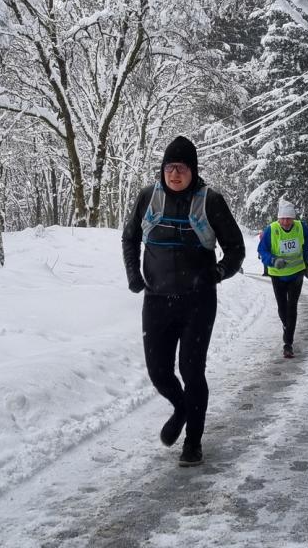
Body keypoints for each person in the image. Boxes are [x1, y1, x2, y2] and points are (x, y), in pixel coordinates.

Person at [122, 136, 245, 467]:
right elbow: (130, 237)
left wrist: (217, 273)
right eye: (169, 167)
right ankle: (181, 408)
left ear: (193, 170)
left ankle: (193, 442)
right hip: (157, 301)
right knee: (159, 373)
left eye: (182, 168)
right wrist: (134, 275)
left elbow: (236, 249)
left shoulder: (210, 201)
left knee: (192, 370)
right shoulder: (148, 197)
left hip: (198, 302)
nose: (175, 174)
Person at [258, 199, 308, 359]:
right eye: (282, 218)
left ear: (294, 218)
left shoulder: (302, 228)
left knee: (292, 307)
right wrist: (273, 260)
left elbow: (305, 248)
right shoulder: (271, 230)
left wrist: (306, 264)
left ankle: (288, 343)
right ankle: (286, 326)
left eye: (289, 218)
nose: (285, 222)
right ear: (278, 218)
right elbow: (262, 250)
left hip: (296, 274)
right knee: (282, 308)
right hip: (277, 275)